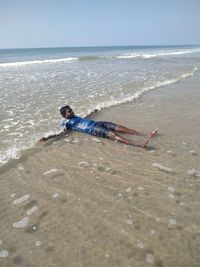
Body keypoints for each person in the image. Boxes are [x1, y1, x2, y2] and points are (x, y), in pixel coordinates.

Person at [39, 105, 158, 148]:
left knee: (120, 127)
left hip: (97, 123)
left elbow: (85, 118)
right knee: (113, 135)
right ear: (64, 115)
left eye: (71, 110)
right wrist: (48, 138)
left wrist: (93, 112)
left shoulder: (75, 116)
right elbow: (61, 133)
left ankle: (146, 134)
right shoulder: (65, 123)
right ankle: (138, 145)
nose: (72, 112)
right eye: (69, 111)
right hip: (93, 129)